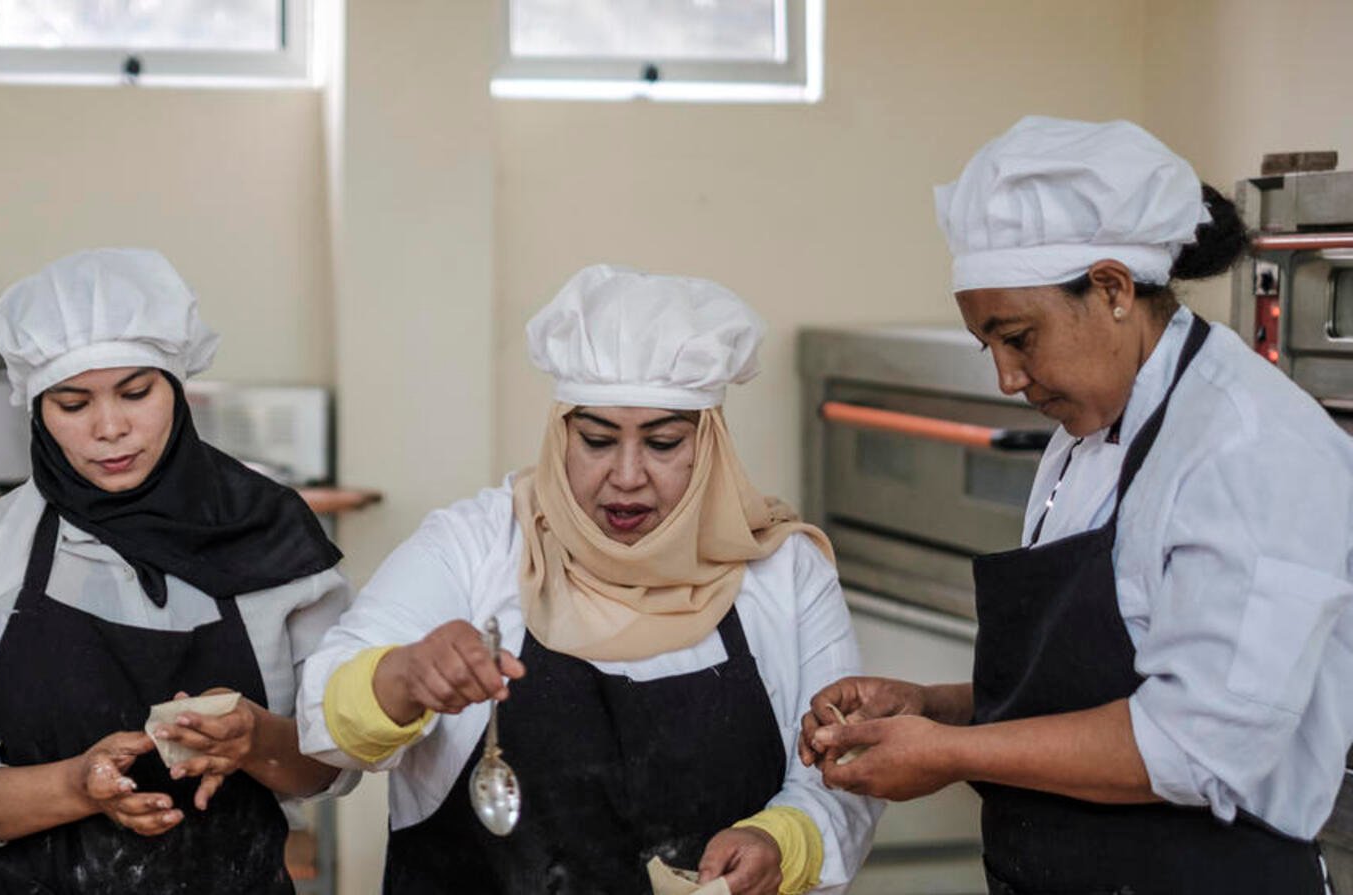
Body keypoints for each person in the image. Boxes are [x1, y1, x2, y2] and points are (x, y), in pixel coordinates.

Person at [802, 116, 1353, 894]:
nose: (1007, 378)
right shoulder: (1087, 434)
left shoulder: (1251, 448)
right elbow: (1096, 692)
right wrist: (935, 708)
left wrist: (949, 753)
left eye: (1019, 337)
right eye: (988, 346)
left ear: (1113, 288)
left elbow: (1195, 746)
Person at [298, 264, 879, 895]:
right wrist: (403, 676)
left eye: (663, 444)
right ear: (561, 436)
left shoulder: (785, 572)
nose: (626, 476)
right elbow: (323, 723)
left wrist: (783, 842)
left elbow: (842, 773)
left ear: (709, 444)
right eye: (597, 440)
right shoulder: (474, 547)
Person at [0, 249, 353, 894]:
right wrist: (76, 787)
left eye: (136, 393)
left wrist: (255, 740)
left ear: (177, 387)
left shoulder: (268, 532)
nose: (110, 428)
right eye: (72, 403)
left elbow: (333, 763)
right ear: (36, 410)